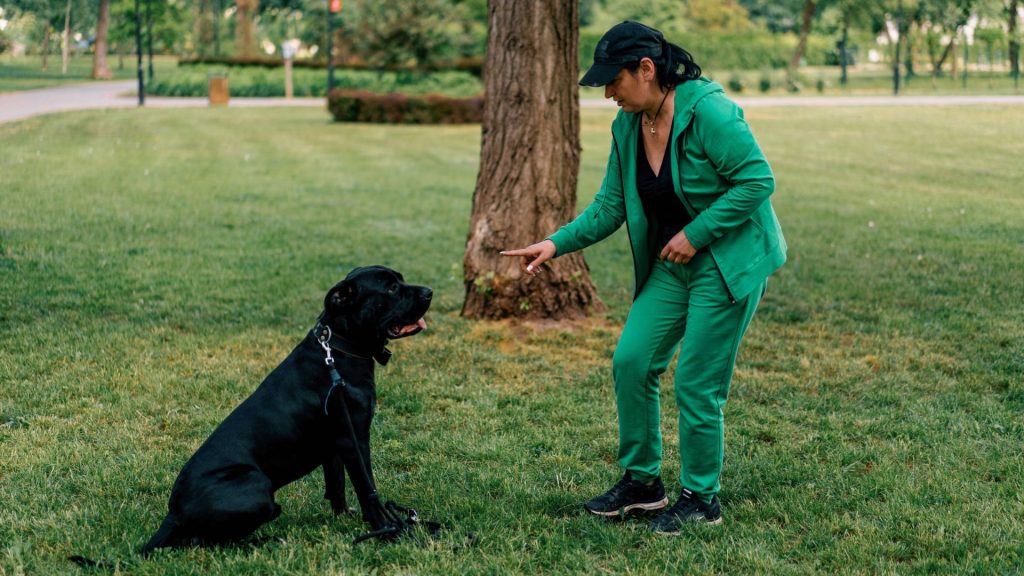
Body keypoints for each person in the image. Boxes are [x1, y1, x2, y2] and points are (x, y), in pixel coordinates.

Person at [501, 20, 787, 534]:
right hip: (672, 264)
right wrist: (555, 243)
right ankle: (643, 483)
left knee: (697, 383)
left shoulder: (709, 112)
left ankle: (702, 497)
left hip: (728, 262)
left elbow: (757, 180)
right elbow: (611, 205)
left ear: (647, 69)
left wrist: (696, 234)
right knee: (632, 360)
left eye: (615, 80)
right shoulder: (628, 126)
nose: (608, 92)